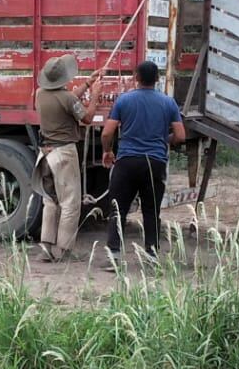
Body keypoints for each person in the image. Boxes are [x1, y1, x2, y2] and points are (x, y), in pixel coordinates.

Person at [101, 60, 184, 266]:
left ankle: (114, 257)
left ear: (136, 78)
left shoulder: (124, 101)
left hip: (127, 161)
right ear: (157, 79)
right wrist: (167, 141)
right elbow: (181, 135)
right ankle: (151, 256)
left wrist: (108, 151)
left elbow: (107, 132)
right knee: (151, 210)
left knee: (118, 209)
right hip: (154, 163)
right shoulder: (168, 103)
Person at [35, 54, 103, 262]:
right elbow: (87, 117)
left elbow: (68, 99)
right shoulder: (67, 98)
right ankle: (63, 249)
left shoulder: (39, 94)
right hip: (64, 153)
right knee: (70, 203)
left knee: (50, 201)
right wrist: (94, 96)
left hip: (45, 153)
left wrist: (86, 83)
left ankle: (46, 247)